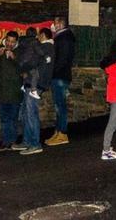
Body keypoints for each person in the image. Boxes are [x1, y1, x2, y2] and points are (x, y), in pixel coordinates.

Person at [14, 28, 54, 156]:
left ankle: (34, 143)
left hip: (34, 85)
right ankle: (27, 141)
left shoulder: (46, 47)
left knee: (31, 113)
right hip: (34, 83)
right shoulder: (46, 48)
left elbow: (36, 65)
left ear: (42, 35)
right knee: (27, 112)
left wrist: (30, 77)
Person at [46, 17, 74, 146]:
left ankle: (62, 133)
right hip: (59, 75)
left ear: (60, 24)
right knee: (58, 105)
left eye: (55, 23)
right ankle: (58, 132)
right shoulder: (63, 37)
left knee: (60, 106)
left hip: (60, 76)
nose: (53, 25)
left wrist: (52, 72)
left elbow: (62, 59)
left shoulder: (64, 38)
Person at [0, 31, 23, 151]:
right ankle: (6, 142)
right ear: (5, 39)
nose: (10, 44)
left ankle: (13, 141)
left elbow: (24, 66)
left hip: (15, 90)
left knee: (13, 117)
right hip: (1, 90)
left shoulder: (20, 51)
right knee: (4, 118)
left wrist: (14, 58)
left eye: (12, 42)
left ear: (16, 42)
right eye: (8, 41)